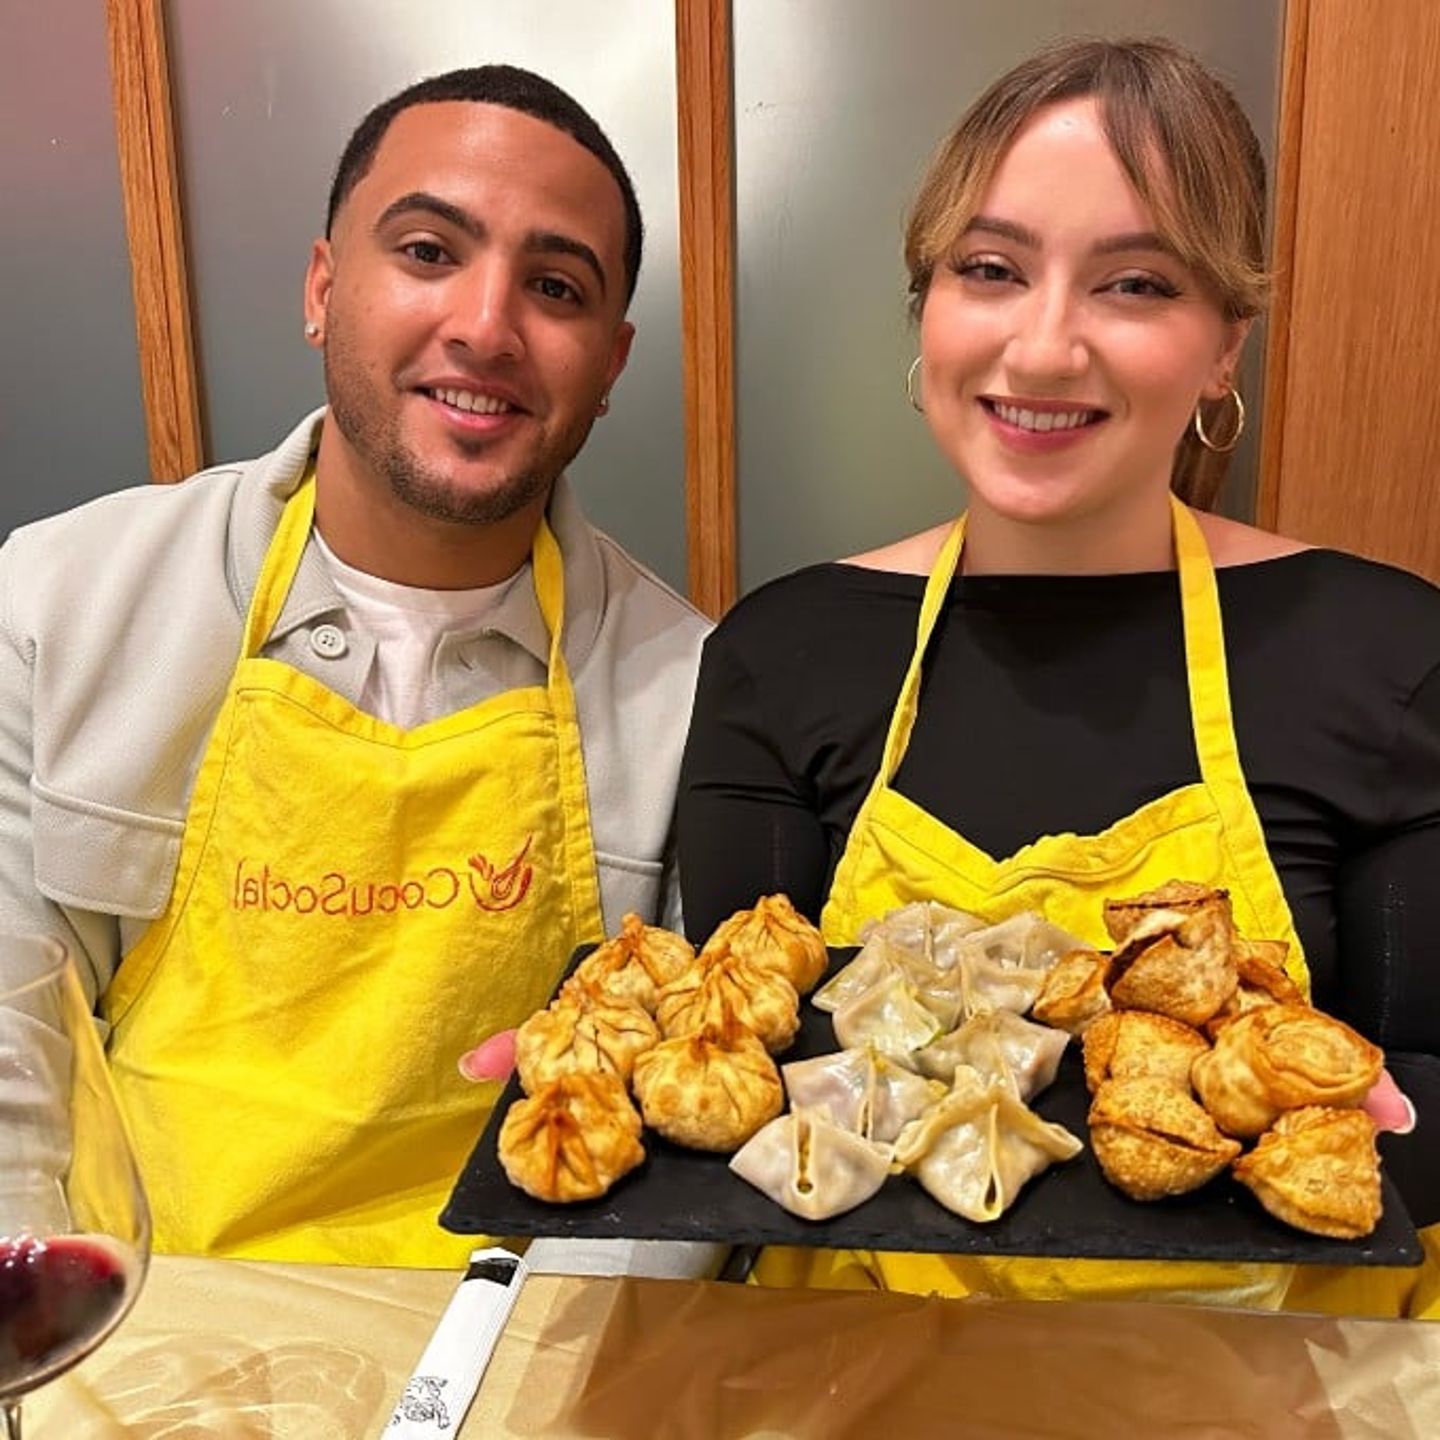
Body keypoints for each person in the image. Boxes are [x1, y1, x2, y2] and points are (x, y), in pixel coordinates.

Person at [677, 36, 1440, 1316]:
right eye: (991, 269)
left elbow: (1422, 1072)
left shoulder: (1387, 652)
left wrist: (1280, 1124)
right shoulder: (785, 652)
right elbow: (747, 1050)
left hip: (1271, 1381)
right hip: (855, 1361)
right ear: (926, 305)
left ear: (1223, 348)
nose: (1041, 347)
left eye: (1134, 285)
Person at [0, 65, 712, 1269]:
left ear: (611, 363)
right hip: (131, 1333)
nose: (486, 326)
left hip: (513, 1357)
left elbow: (687, 1131)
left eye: (553, 286)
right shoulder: (58, 602)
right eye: (430, 251)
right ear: (324, 289)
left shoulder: (695, 694)